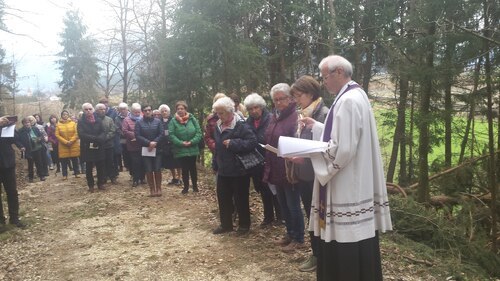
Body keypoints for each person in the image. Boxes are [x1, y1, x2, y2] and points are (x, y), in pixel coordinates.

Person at [301, 55, 392, 280]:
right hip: (354, 181)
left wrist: (312, 150)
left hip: (346, 185)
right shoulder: (355, 94)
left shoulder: (348, 100)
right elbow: (343, 135)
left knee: (346, 239)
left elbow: (343, 149)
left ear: (339, 71)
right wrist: (318, 127)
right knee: (359, 240)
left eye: (325, 77)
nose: (324, 83)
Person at [289, 75, 329, 272]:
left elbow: (325, 147)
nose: (296, 100)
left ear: (310, 93)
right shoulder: (304, 113)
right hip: (305, 174)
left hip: (317, 175)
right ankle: (316, 253)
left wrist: (302, 157)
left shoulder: (323, 114)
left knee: (318, 218)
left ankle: (320, 256)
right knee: (311, 217)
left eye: (298, 95)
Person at [263, 83, 305, 253]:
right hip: (275, 165)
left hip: (289, 167)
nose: (279, 102)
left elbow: (296, 140)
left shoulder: (295, 116)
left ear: (290, 99)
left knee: (293, 204)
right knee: (283, 204)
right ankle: (289, 233)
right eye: (275, 100)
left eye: (282, 99)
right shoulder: (275, 116)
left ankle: (298, 237)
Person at [211, 97, 257, 235]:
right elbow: (217, 148)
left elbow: (252, 142)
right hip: (223, 168)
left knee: (240, 198)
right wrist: (215, 163)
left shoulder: (241, 125)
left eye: (222, 113)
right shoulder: (218, 125)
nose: (219, 116)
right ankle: (226, 224)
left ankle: (244, 225)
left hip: (239, 170)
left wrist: (233, 143)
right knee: (223, 197)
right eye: (217, 113)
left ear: (230, 111)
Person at [243, 93, 281, 227]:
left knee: (274, 189)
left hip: (271, 159)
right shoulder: (247, 122)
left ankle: (280, 216)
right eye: (250, 109)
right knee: (263, 189)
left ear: (261, 107)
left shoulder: (271, 119)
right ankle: (268, 217)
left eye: (256, 108)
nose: (254, 111)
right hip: (255, 161)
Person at [168, 101, 202, 194]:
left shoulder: (192, 119)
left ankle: (195, 186)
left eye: (182, 108)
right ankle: (186, 187)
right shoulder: (173, 121)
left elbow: (199, 132)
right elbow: (171, 135)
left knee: (193, 168)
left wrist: (192, 142)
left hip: (193, 147)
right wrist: (181, 143)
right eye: (178, 109)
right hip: (181, 148)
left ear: (185, 109)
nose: (180, 110)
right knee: (184, 168)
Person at [0, 116, 26, 230]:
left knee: (12, 191)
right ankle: (1, 222)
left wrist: (10, 125)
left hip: (7, 163)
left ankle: (14, 218)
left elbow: (15, 139)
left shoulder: (5, 127)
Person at [135, 105, 164, 197]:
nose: (147, 112)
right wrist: (148, 143)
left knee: (157, 168)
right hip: (146, 149)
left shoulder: (158, 121)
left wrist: (155, 142)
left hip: (157, 149)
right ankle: (152, 189)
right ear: (142, 112)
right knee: (148, 169)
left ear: (152, 111)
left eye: (149, 110)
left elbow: (162, 133)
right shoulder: (139, 122)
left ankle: (158, 188)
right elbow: (137, 135)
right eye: (145, 110)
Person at [77, 103, 106, 192]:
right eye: (86, 109)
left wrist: (99, 139)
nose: (88, 111)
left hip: (98, 146)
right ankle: (91, 185)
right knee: (89, 167)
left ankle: (100, 183)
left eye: (90, 109)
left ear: (93, 109)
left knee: (100, 166)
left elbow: (103, 131)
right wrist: (94, 138)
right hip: (87, 147)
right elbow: (81, 134)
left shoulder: (98, 119)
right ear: (83, 111)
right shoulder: (81, 121)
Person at [122, 103, 145, 187]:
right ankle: (135, 179)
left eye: (138, 112)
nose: (137, 114)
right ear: (131, 111)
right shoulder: (126, 120)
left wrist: (140, 137)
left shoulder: (143, 119)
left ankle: (142, 178)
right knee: (135, 162)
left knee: (143, 162)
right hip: (132, 145)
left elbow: (146, 129)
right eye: (135, 112)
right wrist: (135, 135)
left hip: (143, 144)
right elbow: (125, 131)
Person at [158, 104, 182, 185]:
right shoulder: (159, 121)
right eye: (162, 111)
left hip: (174, 144)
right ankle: (174, 178)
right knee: (170, 163)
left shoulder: (174, 119)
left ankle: (179, 178)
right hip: (165, 145)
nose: (164, 112)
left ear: (169, 111)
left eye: (166, 111)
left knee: (177, 162)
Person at [18, 116, 46, 182]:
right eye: (25, 123)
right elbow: (19, 141)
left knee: (39, 162)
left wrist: (39, 139)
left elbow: (41, 136)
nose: (27, 124)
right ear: (23, 124)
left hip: (37, 148)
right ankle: (31, 178)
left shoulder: (35, 128)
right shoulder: (20, 131)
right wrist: (21, 146)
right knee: (30, 164)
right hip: (28, 150)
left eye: (28, 122)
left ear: (30, 123)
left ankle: (42, 176)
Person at [95, 103, 118, 184]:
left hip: (109, 144)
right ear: (97, 110)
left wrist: (105, 138)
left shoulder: (109, 119)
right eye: (101, 109)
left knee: (110, 161)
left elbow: (113, 130)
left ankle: (112, 177)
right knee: (101, 162)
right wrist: (99, 139)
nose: (103, 111)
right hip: (98, 145)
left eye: (104, 109)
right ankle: (102, 178)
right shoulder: (94, 120)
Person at [55, 110, 81, 180]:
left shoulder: (73, 123)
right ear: (61, 116)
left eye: (66, 114)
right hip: (63, 145)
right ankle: (64, 175)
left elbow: (76, 133)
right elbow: (57, 135)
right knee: (64, 161)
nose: (65, 116)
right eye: (63, 114)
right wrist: (66, 142)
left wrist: (71, 141)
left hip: (73, 144)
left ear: (68, 115)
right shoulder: (58, 124)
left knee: (75, 159)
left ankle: (77, 173)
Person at [114, 102, 130, 172]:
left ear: (127, 109)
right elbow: (117, 128)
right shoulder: (117, 118)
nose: (123, 111)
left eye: (124, 109)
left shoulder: (131, 116)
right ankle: (127, 166)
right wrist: (123, 133)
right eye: (121, 109)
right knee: (125, 152)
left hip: (132, 137)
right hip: (122, 138)